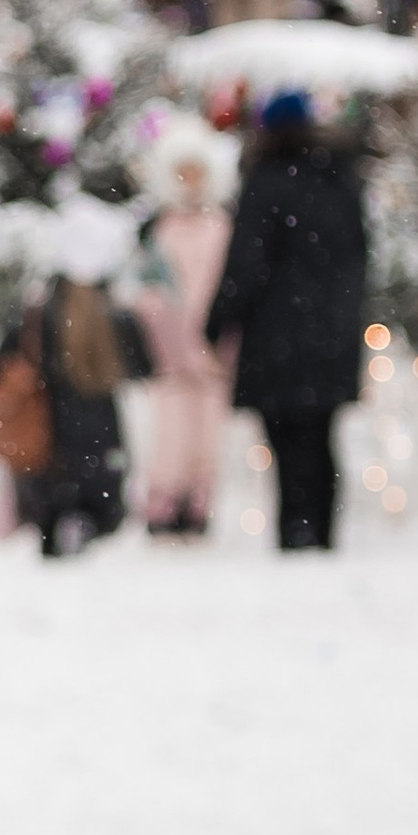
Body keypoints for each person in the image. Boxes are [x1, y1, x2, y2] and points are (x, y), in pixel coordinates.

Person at [205, 88, 368, 552]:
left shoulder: (267, 181)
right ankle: (321, 530)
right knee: (320, 436)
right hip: (331, 334)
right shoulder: (342, 179)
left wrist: (218, 321)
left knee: (285, 440)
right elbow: (359, 258)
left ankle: (296, 530)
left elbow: (246, 262)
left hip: (276, 335)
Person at [0, 197, 147, 558]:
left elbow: (0, 366)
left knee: (54, 493)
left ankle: (58, 525)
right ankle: (83, 523)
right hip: (99, 434)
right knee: (92, 487)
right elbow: (142, 365)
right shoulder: (115, 313)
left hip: (51, 432)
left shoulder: (39, 312)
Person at [131, 124, 235, 536]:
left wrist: (219, 333)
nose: (190, 181)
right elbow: (146, 288)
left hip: (214, 350)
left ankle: (198, 503)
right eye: (182, 173)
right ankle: (163, 503)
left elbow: (231, 285)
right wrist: (163, 326)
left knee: (207, 434)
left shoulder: (222, 227)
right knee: (171, 431)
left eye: (196, 172)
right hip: (171, 350)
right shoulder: (160, 229)